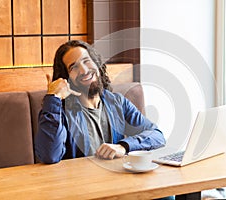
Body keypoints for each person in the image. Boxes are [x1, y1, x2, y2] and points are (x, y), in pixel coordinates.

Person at [34, 40, 166, 163]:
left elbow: (156, 135)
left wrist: (123, 146)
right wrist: (53, 97)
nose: (84, 70)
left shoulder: (117, 102)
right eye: (73, 67)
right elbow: (49, 155)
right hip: (78, 184)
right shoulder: (60, 111)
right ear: (66, 78)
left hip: (116, 181)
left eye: (86, 61)